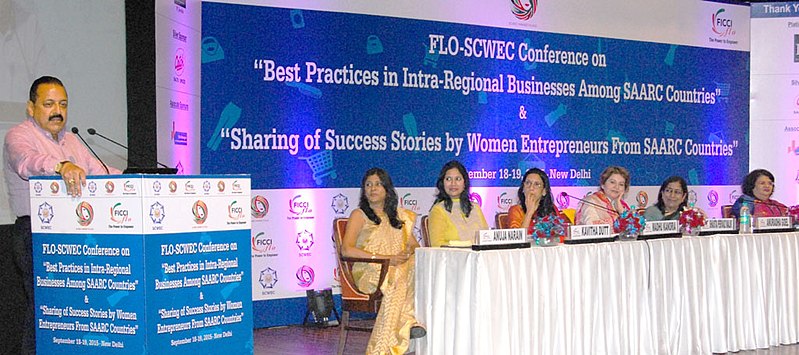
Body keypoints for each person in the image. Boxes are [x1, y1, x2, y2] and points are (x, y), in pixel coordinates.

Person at [3, 76, 121, 354]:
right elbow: (27, 163)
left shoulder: (72, 140)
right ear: (31, 108)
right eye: (49, 104)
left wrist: (135, 178)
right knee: (44, 308)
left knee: (74, 308)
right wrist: (62, 166)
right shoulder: (18, 136)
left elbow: (99, 171)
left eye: (63, 104)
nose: (58, 110)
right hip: (35, 234)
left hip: (75, 234)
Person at [341, 168, 424, 354]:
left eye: (378, 184)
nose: (372, 188)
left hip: (395, 268)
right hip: (370, 271)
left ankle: (408, 325)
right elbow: (346, 250)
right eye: (368, 184)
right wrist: (387, 259)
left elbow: (415, 247)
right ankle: (395, 337)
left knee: (416, 269)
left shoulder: (398, 216)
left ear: (387, 188)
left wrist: (406, 251)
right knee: (398, 276)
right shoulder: (359, 215)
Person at [428, 160, 488, 247]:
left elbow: (487, 238)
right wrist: (468, 244)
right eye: (448, 179)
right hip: (452, 258)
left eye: (458, 179)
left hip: (479, 258)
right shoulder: (438, 210)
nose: (453, 183)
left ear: (464, 183)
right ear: (442, 183)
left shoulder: (475, 207)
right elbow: (437, 245)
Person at [507, 168, 568, 234]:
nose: (531, 188)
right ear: (523, 188)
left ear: (544, 191)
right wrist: (529, 213)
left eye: (536, 184)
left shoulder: (551, 209)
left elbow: (559, 234)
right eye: (528, 183)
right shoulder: (516, 210)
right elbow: (518, 238)